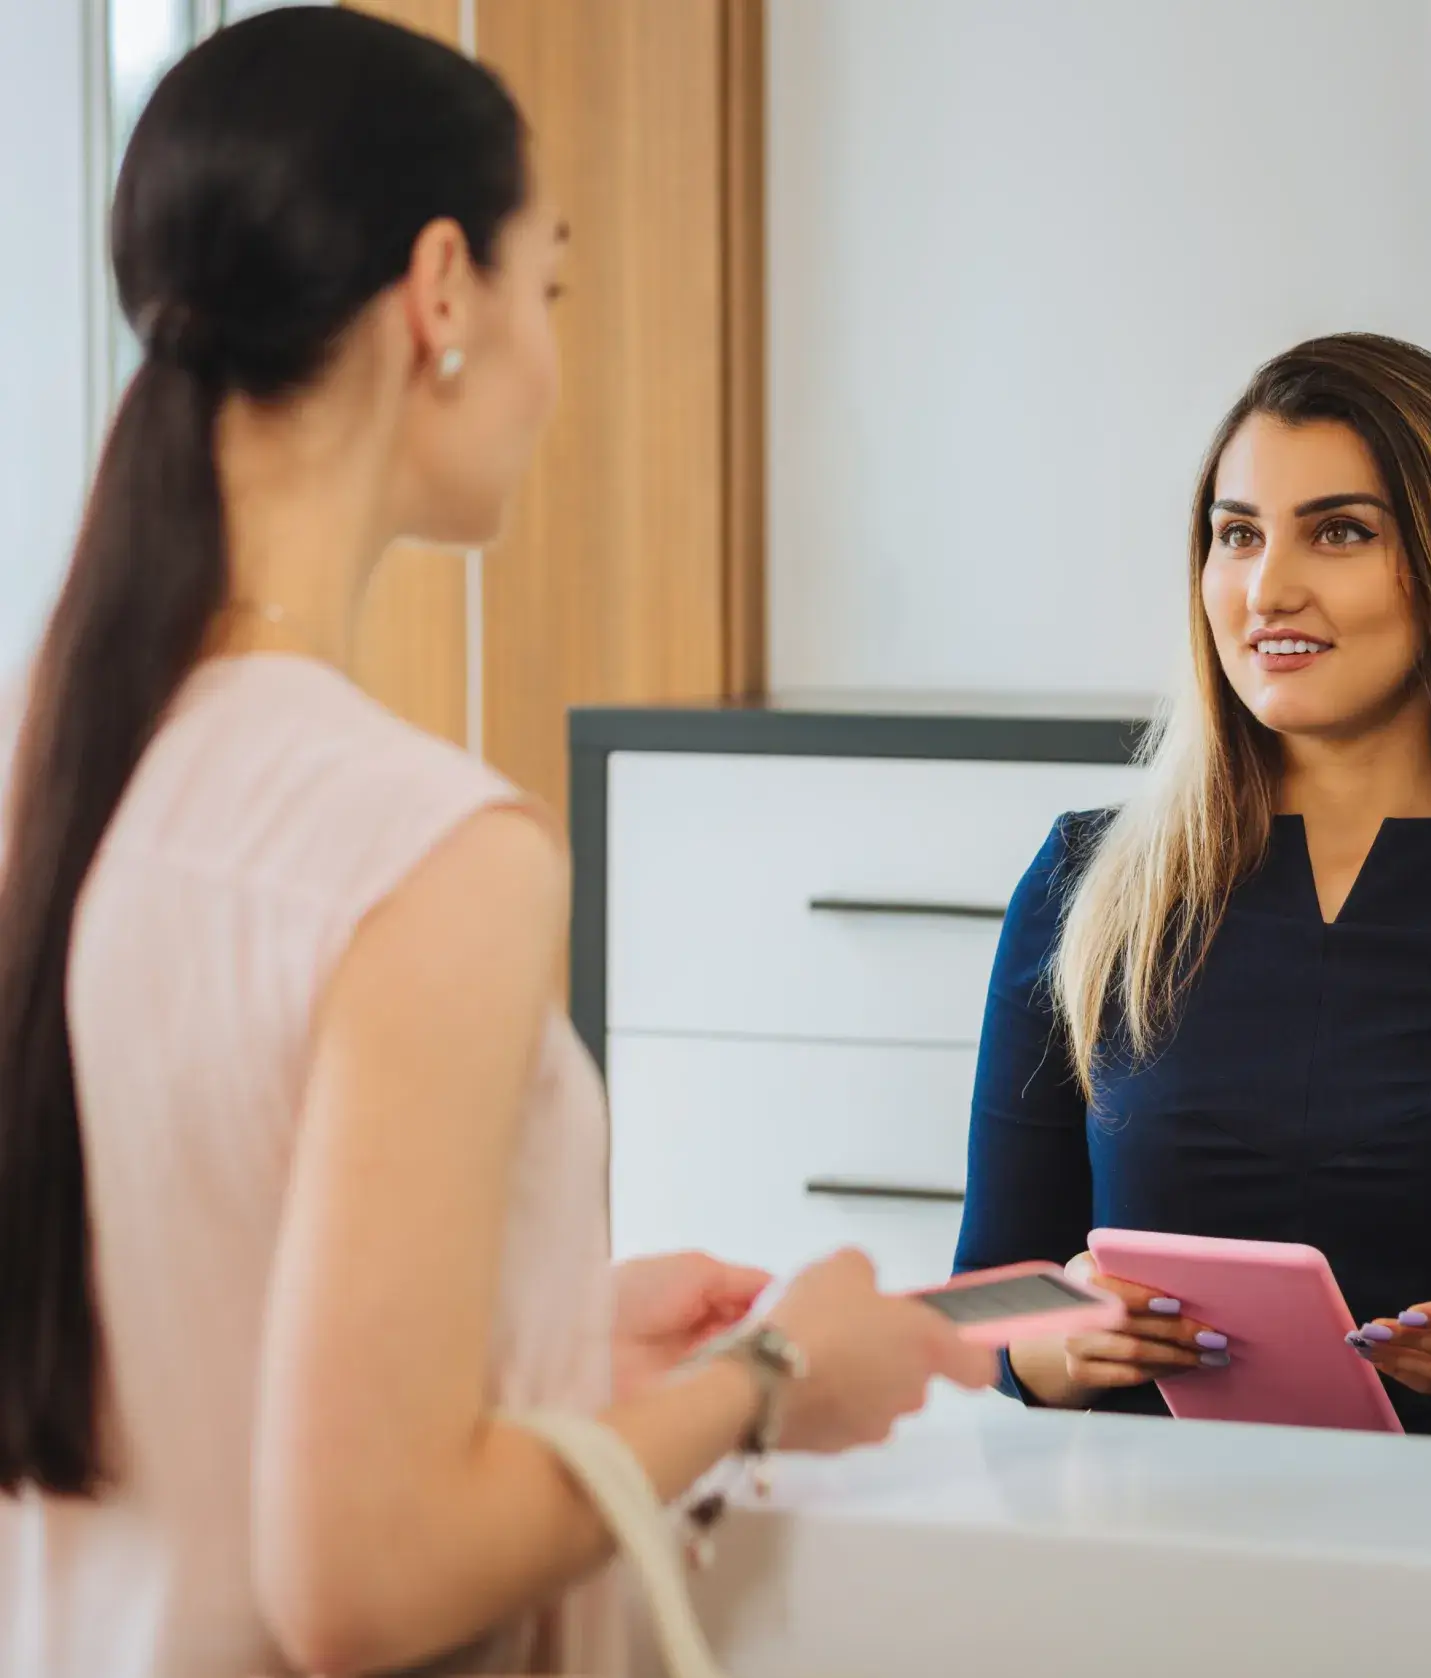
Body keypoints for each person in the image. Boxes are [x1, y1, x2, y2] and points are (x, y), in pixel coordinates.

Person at [0, 12, 994, 1676]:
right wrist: (765, 1381)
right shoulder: (429, 847)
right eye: (554, 289)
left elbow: (185, 1346)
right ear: (442, 291)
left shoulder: (74, 776)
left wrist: (540, 1338)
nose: (550, 362)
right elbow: (364, 1582)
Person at [954, 332, 1431, 1449]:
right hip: (1145, 1556)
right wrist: (1058, 1340)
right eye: (1236, 535)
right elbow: (976, 1307)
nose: (1267, 588)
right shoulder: (1084, 883)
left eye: (1339, 532)